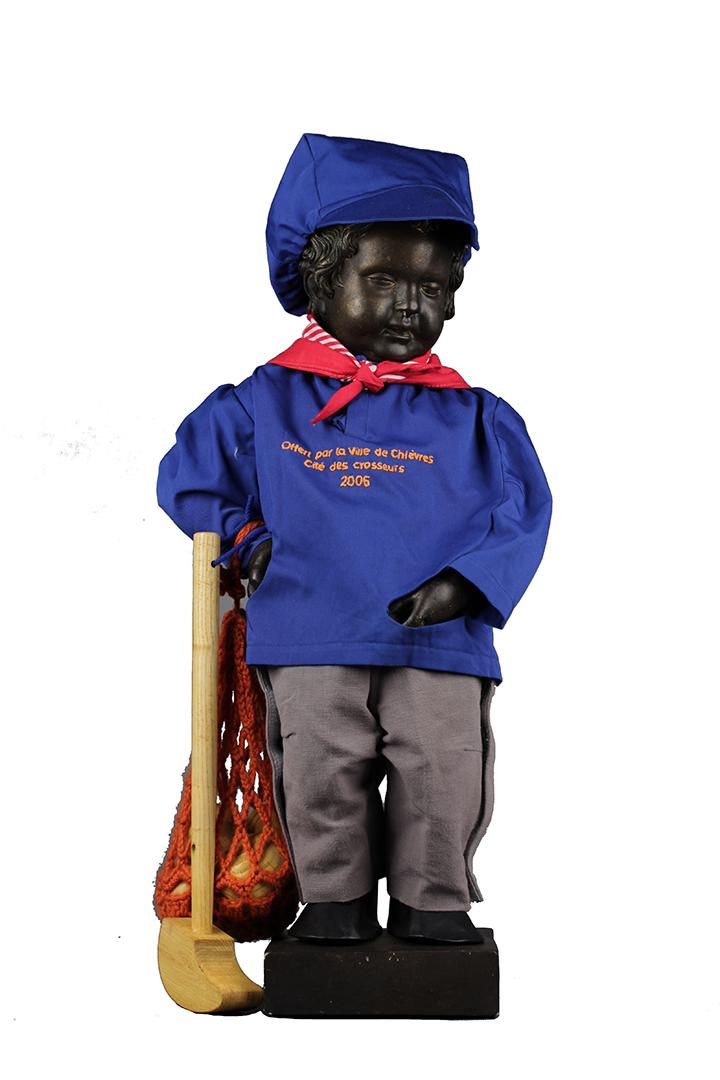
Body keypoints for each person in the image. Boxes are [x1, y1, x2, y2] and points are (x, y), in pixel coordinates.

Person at [157, 134, 552, 944]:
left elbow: (524, 511)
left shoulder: (477, 417)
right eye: (383, 280)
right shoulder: (262, 404)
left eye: (433, 287)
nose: (411, 305)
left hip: (439, 639)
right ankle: (332, 905)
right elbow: (191, 476)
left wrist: (467, 583)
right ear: (321, 280)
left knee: (443, 768)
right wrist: (244, 538)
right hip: (308, 630)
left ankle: (431, 906)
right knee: (319, 766)